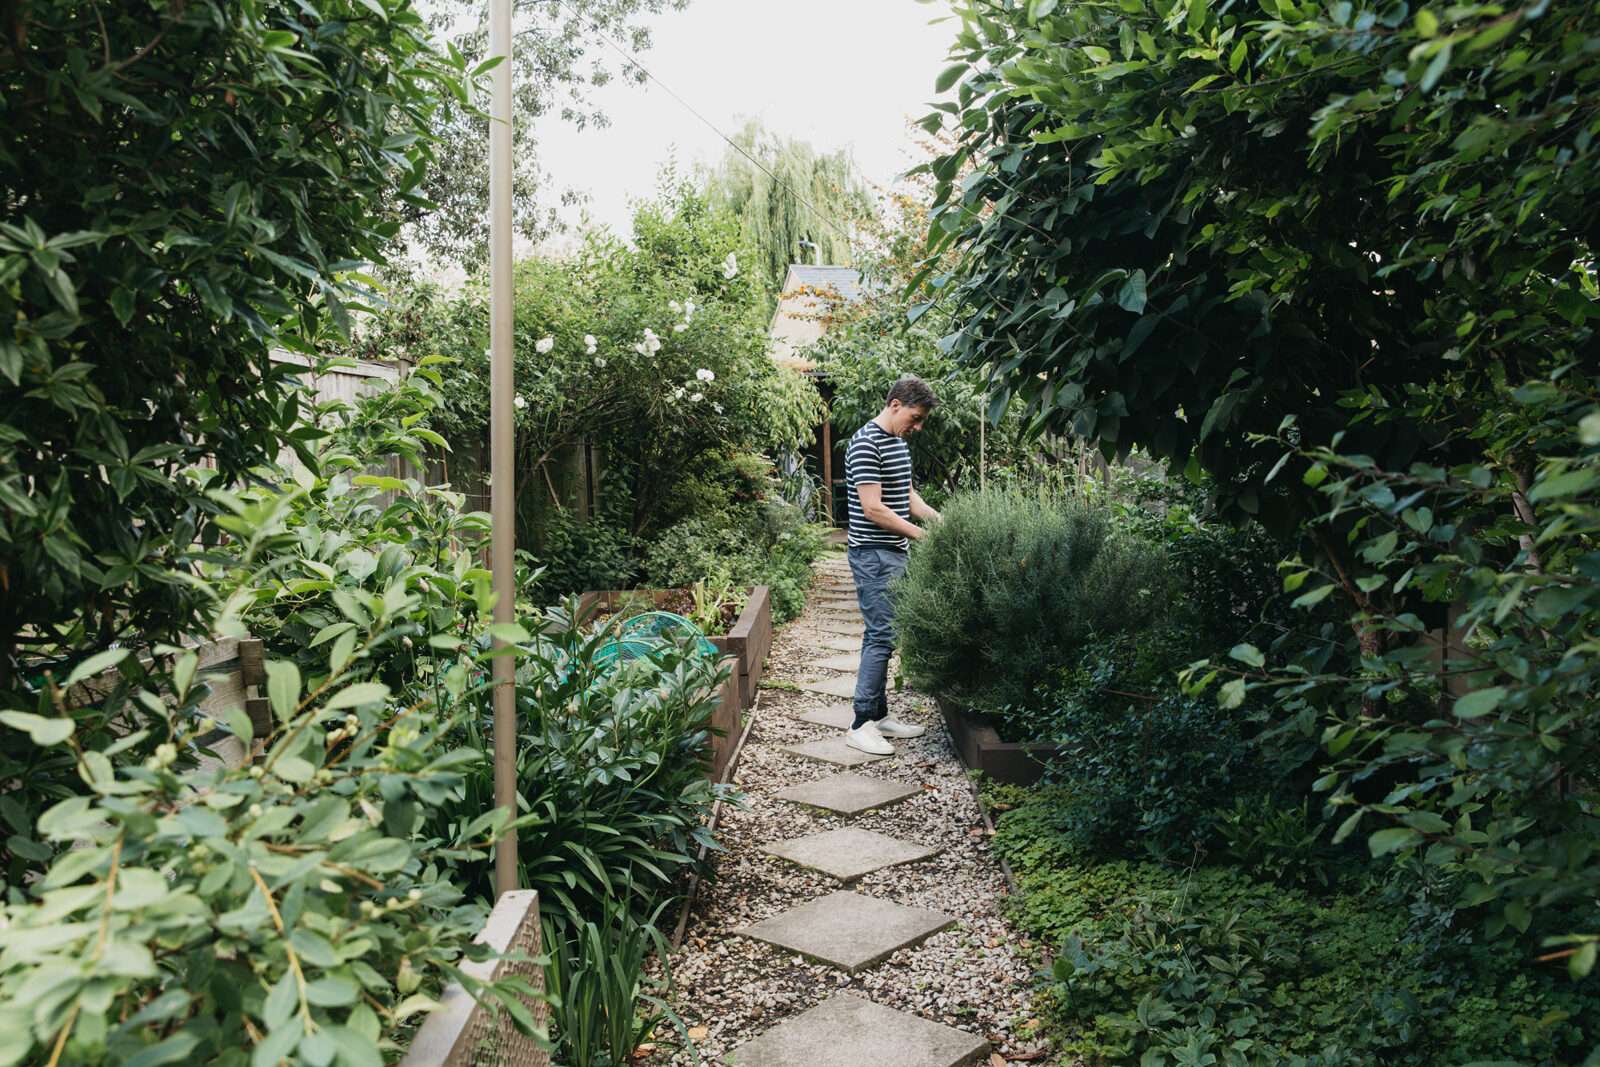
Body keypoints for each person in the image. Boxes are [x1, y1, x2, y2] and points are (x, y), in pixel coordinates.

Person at [842, 375, 942, 755]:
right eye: (914, 418)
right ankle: (860, 723)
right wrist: (921, 535)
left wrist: (939, 520)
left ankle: (879, 716)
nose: (916, 427)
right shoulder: (866, 444)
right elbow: (873, 508)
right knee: (880, 635)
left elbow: (907, 495)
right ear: (895, 404)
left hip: (893, 553)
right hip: (872, 555)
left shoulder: (897, 443)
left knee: (887, 633)